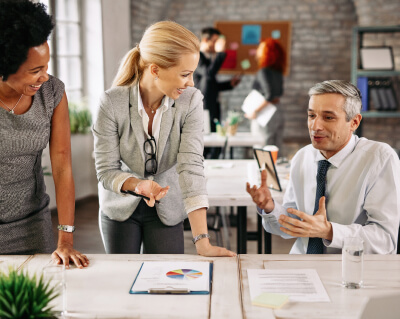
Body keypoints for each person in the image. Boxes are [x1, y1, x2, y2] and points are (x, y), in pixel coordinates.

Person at [93, 21, 235, 257]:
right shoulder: (111, 102)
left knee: (167, 282)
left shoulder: (191, 101)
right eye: (185, 74)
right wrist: (138, 185)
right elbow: (106, 170)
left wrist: (202, 242)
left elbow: (191, 167)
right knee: (122, 281)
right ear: (155, 70)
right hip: (119, 205)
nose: (191, 82)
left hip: (168, 207)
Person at [246, 80, 400, 254]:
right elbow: (294, 224)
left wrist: (329, 231)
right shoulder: (302, 157)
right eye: (312, 116)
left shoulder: (379, 158)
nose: (315, 126)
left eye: (328, 117)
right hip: (302, 264)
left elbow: (385, 240)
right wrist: (270, 207)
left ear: (354, 122)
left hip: (351, 272)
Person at [0, 0, 89, 268]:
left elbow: (62, 166)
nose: (44, 77)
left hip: (32, 224)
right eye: (35, 70)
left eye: (46, 66)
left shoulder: (52, 93)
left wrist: (65, 239)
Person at [194, 27, 240, 158]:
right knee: (206, 149)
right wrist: (221, 53)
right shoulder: (197, 56)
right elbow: (208, 74)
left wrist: (229, 84)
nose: (217, 45)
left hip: (211, 106)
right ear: (205, 40)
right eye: (215, 41)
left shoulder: (208, 59)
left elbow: (211, 86)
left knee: (215, 147)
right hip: (203, 109)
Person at [244, 38, 285, 150]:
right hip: (278, 111)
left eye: (261, 48)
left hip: (265, 113)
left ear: (267, 52)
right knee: (276, 147)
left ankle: (264, 168)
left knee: (262, 147)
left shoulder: (264, 71)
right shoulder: (278, 71)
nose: (258, 50)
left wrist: (255, 111)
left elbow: (269, 95)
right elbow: (279, 93)